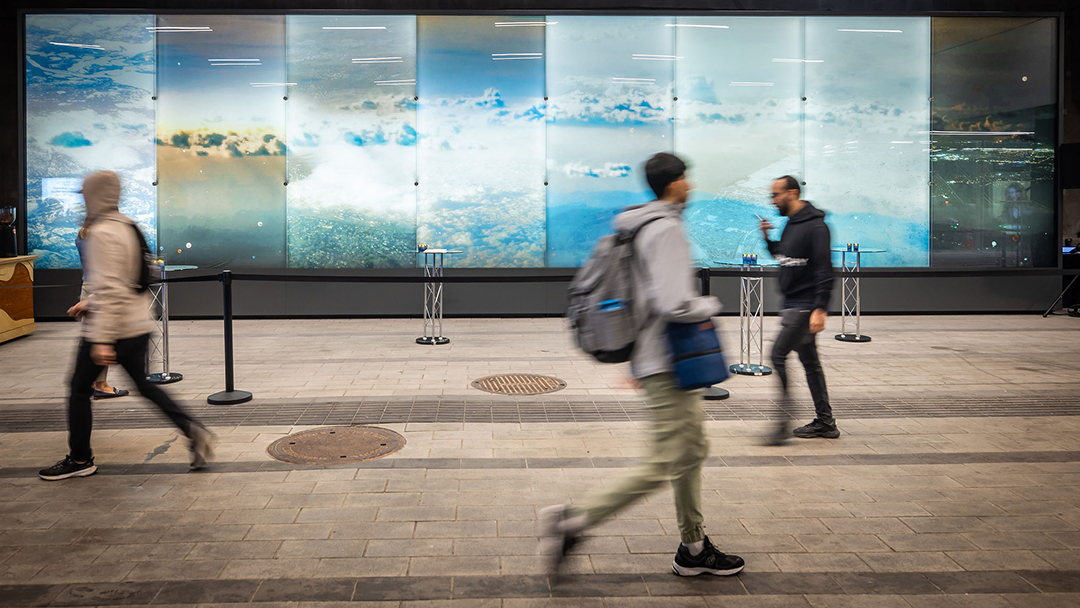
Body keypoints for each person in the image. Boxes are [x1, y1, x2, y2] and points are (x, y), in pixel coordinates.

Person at [542, 153, 745, 578]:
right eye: (686, 178)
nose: (690, 186)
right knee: (665, 460)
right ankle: (572, 522)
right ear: (673, 184)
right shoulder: (665, 228)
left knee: (692, 451)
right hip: (670, 361)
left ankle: (693, 547)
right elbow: (673, 303)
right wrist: (710, 304)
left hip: (660, 359)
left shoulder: (639, 226)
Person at [38, 170, 213, 481]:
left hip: (111, 328)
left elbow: (110, 288)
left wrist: (102, 339)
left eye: (85, 194)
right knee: (144, 386)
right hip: (137, 323)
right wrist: (90, 303)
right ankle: (190, 428)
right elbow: (130, 280)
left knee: (78, 389)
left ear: (95, 196)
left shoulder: (101, 232)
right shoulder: (127, 225)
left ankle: (80, 458)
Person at [759, 176, 838, 443]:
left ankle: (782, 425)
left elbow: (825, 269)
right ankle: (825, 422)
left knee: (777, 355)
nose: (773, 201)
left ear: (792, 193)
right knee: (810, 363)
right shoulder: (791, 224)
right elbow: (784, 256)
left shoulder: (816, 227)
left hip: (804, 307)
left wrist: (820, 308)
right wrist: (767, 239)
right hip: (792, 304)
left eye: (776, 195)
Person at [75, 229, 129, 400]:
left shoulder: (81, 236)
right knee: (103, 335)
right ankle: (101, 385)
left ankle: (92, 382)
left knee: (92, 335)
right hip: (100, 289)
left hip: (87, 286)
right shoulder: (101, 236)